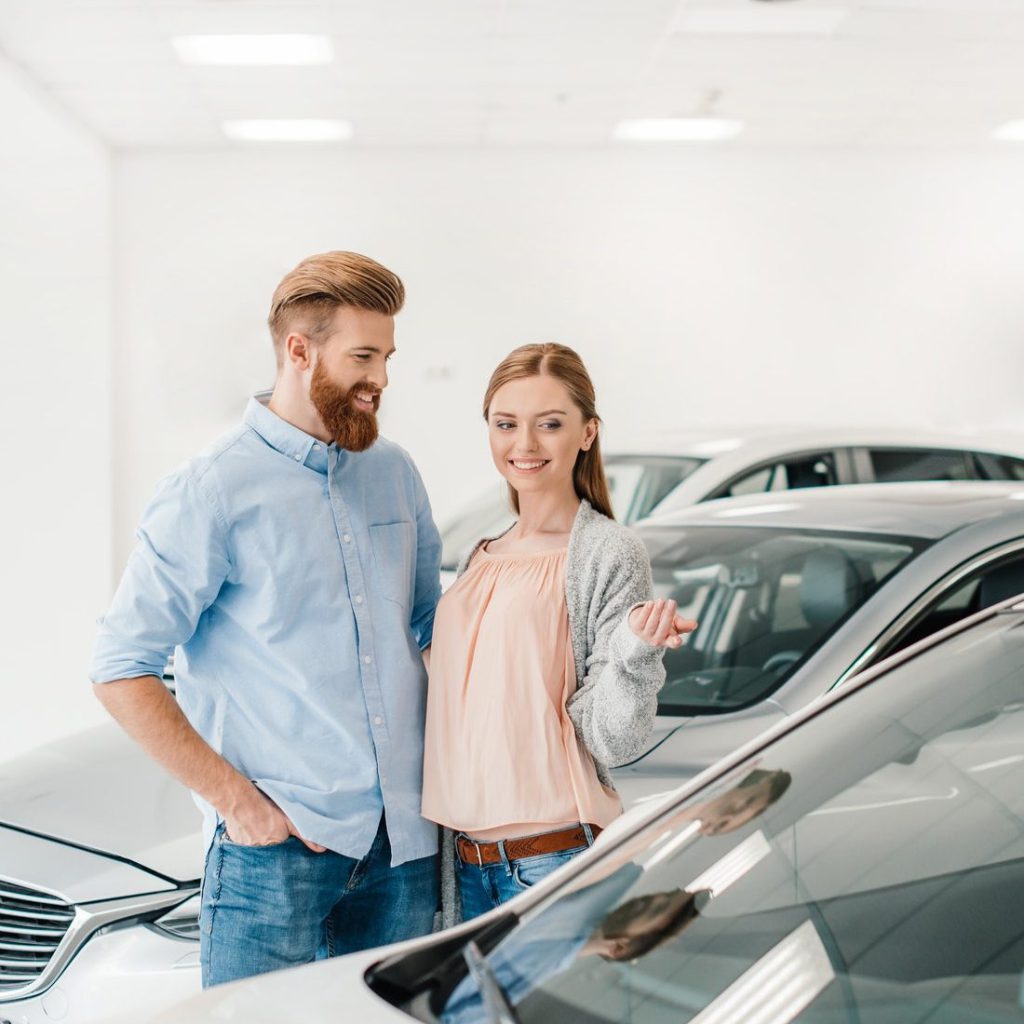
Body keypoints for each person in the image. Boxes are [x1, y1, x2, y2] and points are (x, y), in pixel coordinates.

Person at [88, 251, 443, 986]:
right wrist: (238, 807)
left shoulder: (395, 473)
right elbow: (122, 667)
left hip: (403, 852)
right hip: (275, 859)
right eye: (364, 356)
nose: (381, 378)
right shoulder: (211, 490)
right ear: (299, 350)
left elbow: (431, 628)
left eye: (387, 356)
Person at [422, 342, 697, 926]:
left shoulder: (606, 553)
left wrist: (634, 654)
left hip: (553, 860)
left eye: (549, 424)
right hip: (463, 863)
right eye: (506, 424)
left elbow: (614, 741)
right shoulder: (481, 557)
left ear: (588, 433)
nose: (524, 445)